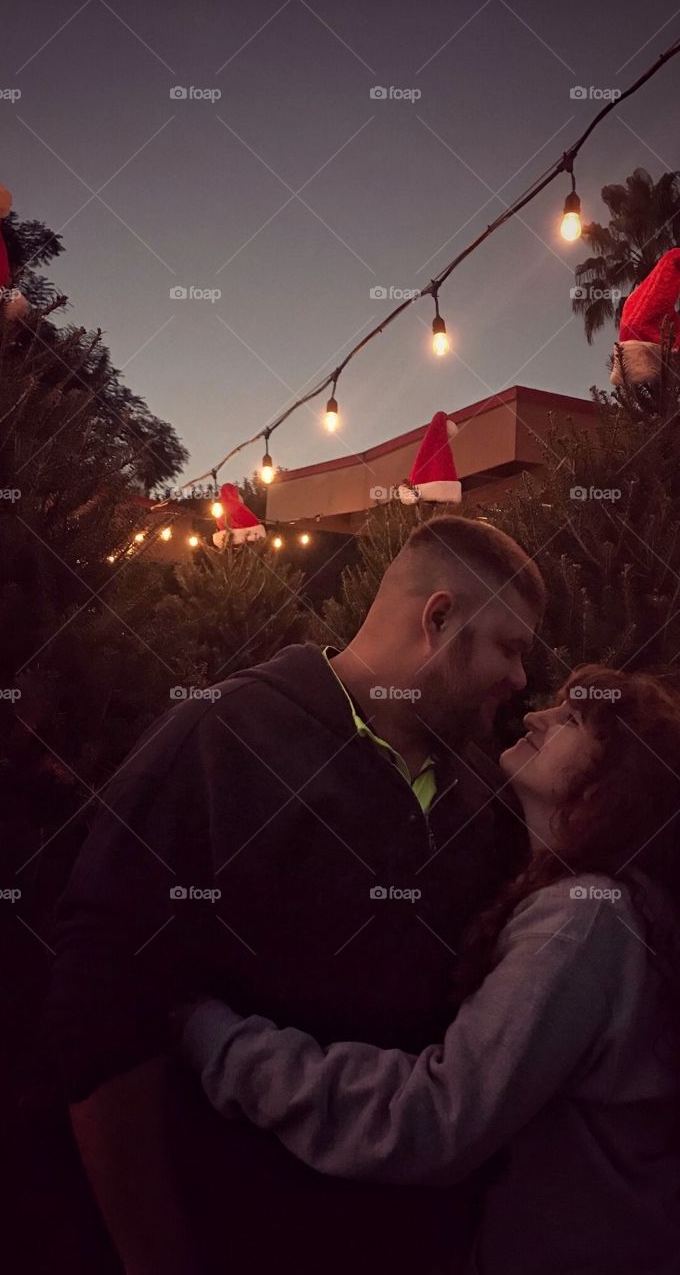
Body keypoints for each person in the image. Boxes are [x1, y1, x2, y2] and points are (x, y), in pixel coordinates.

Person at [44, 514, 546, 1275]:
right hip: (250, 1240)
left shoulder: (483, 791)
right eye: (510, 647)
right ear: (439, 619)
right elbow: (103, 1020)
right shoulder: (216, 744)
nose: (521, 680)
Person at [176, 665, 680, 1274]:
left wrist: (220, 1043)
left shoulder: (586, 917)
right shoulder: (615, 903)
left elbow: (433, 1119)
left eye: (572, 719)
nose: (534, 716)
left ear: (614, 785)